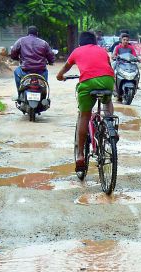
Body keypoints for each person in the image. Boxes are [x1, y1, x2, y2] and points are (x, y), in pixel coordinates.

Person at [56, 31, 116, 173]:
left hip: (87, 84)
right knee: (107, 102)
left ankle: (80, 155)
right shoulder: (102, 50)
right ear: (95, 42)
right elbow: (108, 67)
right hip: (107, 81)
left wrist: (60, 77)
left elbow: (64, 68)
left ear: (80, 43)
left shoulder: (76, 51)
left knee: (84, 115)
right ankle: (110, 126)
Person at [9, 26, 55, 99]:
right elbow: (50, 55)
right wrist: (51, 61)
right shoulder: (44, 43)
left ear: (28, 33)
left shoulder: (21, 41)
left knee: (16, 72)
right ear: (37, 33)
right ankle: (44, 94)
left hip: (25, 71)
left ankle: (19, 93)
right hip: (41, 71)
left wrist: (16, 58)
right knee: (45, 77)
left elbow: (13, 52)